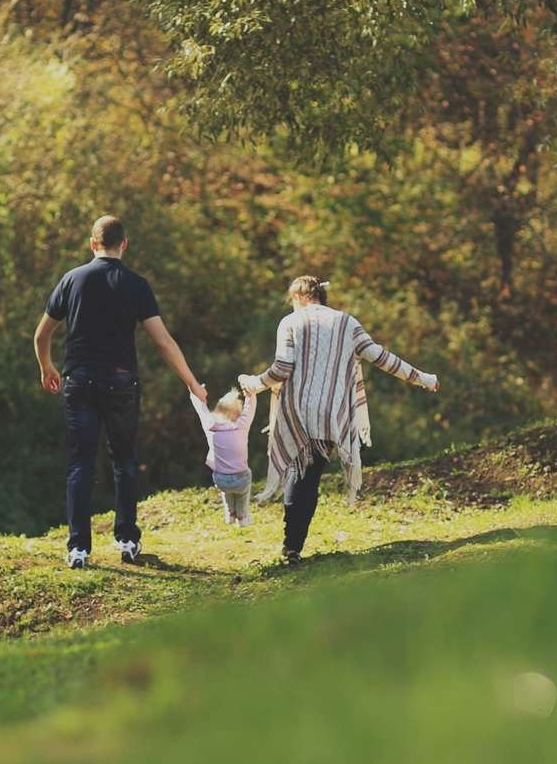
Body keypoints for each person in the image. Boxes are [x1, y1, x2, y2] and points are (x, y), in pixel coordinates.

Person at [33, 215, 205, 569]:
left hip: (79, 382)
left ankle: (78, 549)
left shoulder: (72, 279)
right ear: (123, 244)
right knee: (124, 462)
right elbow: (162, 342)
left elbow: (42, 334)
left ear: (92, 243)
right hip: (121, 384)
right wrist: (191, 382)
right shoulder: (136, 285)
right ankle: (127, 541)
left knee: (81, 463)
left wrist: (46, 367)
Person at [240, 276, 439, 563]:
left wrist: (254, 383)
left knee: (298, 474)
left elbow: (282, 368)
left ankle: (291, 545)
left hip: (298, 411)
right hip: (331, 415)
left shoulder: (290, 322)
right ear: (321, 296)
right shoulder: (348, 323)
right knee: (309, 477)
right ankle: (292, 545)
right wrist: (423, 378)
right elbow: (381, 357)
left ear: (297, 296)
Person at [188, 384, 262, 527]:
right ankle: (242, 516)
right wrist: (250, 394)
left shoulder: (211, 427)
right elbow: (250, 409)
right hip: (241, 479)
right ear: (237, 414)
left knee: (226, 488)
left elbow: (201, 411)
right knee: (244, 487)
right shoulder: (241, 426)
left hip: (221, 480)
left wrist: (195, 394)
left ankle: (230, 513)